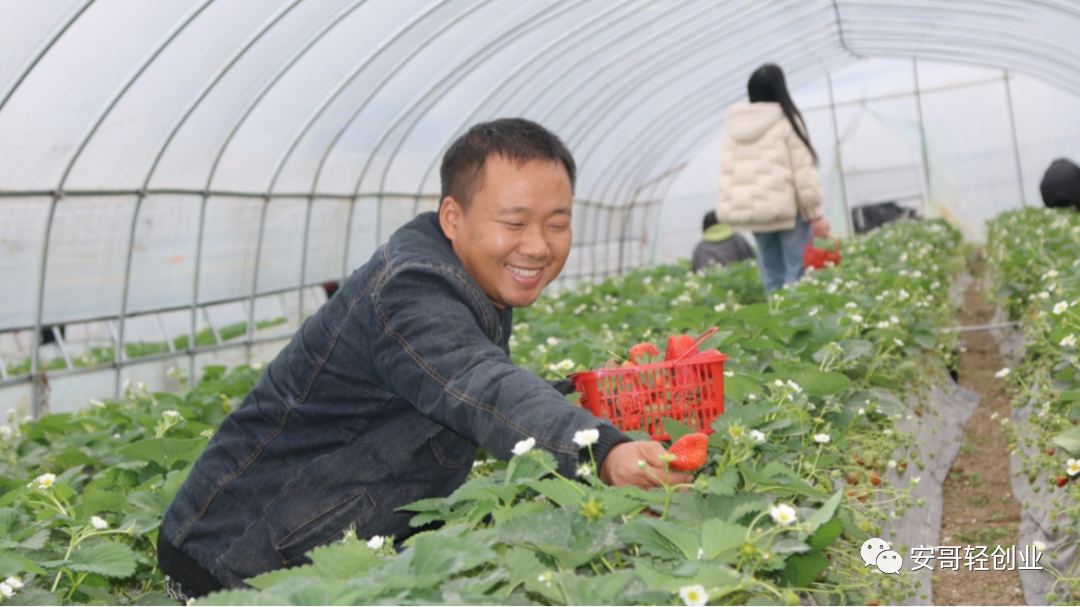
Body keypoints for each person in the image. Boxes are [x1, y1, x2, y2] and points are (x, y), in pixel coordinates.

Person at [156, 118, 691, 600]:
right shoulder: (411, 288)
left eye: (556, 223)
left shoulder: (469, 274)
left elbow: (454, 380)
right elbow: (478, 383)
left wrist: (579, 396)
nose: (538, 246)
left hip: (318, 535)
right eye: (515, 222)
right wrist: (600, 447)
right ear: (453, 216)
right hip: (236, 564)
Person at [716, 63, 829, 293]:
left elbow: (732, 171)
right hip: (788, 212)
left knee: (772, 277)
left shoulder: (736, 126)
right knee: (798, 275)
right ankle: (799, 325)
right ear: (780, 89)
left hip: (756, 214)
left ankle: (777, 324)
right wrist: (815, 213)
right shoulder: (787, 120)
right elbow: (803, 173)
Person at [690, 210, 756, 272]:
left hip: (709, 281)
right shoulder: (737, 239)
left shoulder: (700, 247)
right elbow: (751, 259)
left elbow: (695, 270)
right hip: (740, 278)